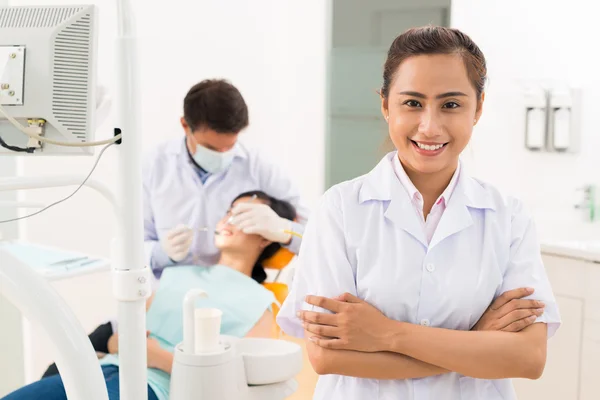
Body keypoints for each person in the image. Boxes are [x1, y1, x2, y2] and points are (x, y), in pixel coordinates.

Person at [277, 26, 561, 399]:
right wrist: (476, 343)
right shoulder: (340, 210)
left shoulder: (508, 218)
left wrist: (384, 334)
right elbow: (327, 358)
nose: (429, 126)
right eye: (412, 103)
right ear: (385, 105)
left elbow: (528, 358)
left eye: (451, 104)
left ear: (478, 108)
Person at [3, 191, 296, 400]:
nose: (228, 220)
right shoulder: (177, 274)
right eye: (229, 211)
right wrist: (125, 346)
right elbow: (123, 337)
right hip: (104, 370)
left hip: (156, 389)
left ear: (267, 234)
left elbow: (234, 387)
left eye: (242, 215)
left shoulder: (262, 305)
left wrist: (158, 357)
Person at [143, 79, 308, 278]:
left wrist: (284, 230)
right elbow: (128, 251)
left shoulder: (260, 168)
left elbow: (315, 237)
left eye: (230, 146)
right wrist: (163, 253)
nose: (222, 154)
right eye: (211, 149)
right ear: (185, 125)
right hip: (166, 287)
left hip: (235, 287)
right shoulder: (154, 165)